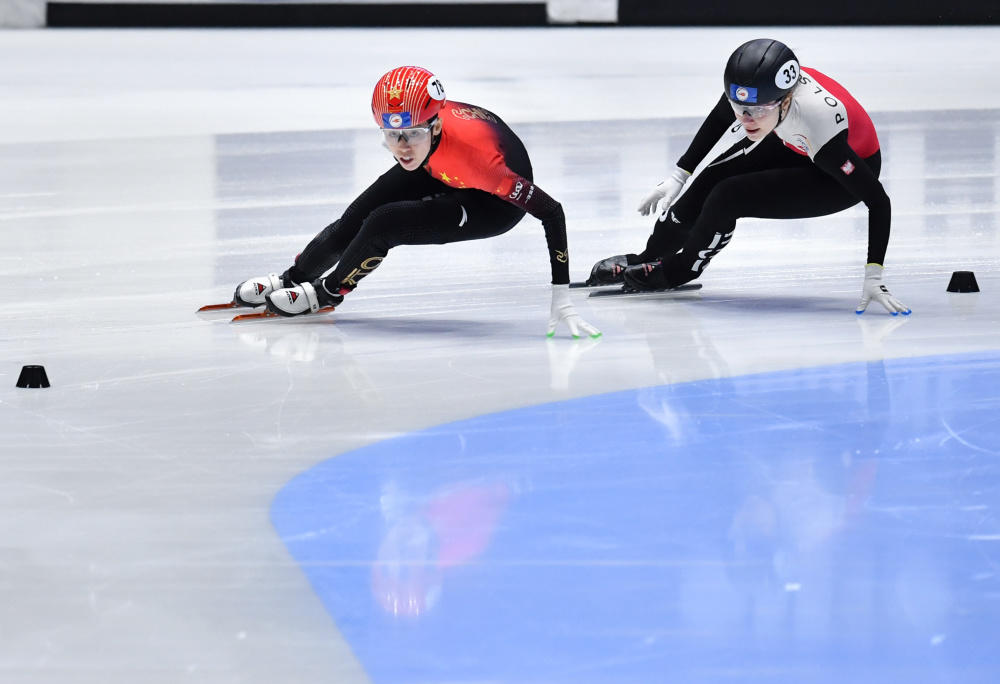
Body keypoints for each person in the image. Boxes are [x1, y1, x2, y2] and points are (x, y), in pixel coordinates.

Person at [231, 66, 599, 338]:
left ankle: (328, 293)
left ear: (435, 126)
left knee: (384, 222)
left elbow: (552, 211)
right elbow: (411, 149)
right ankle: (291, 279)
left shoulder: (483, 164)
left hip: (492, 204)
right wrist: (416, 144)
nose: (402, 147)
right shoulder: (419, 139)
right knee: (354, 220)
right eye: (392, 136)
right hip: (437, 163)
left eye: (412, 134)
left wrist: (560, 295)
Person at [588, 38, 910, 316]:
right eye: (738, 106)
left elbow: (878, 201)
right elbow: (719, 118)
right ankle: (649, 257)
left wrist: (873, 274)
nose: (745, 118)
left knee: (728, 195)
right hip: (793, 138)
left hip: (836, 173)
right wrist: (679, 174)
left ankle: (678, 270)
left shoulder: (819, 127)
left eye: (756, 111)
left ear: (786, 100)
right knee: (710, 178)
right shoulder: (757, 90)